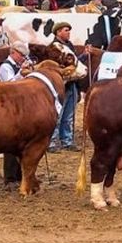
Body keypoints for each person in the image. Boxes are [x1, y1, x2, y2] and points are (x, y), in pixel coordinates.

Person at [0, 42, 31, 186]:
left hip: (19, 107)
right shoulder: (5, 66)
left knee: (20, 142)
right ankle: (10, 177)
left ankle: (18, 175)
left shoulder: (18, 65)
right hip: (8, 106)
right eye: (21, 55)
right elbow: (9, 85)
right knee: (10, 142)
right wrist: (21, 74)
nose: (23, 58)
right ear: (13, 52)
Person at [48, 22, 80, 152]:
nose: (68, 33)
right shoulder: (53, 48)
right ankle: (53, 141)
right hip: (61, 85)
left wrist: (84, 55)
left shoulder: (69, 46)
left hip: (72, 83)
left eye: (68, 30)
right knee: (58, 114)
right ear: (58, 32)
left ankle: (66, 140)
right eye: (66, 30)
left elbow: (76, 63)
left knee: (68, 115)